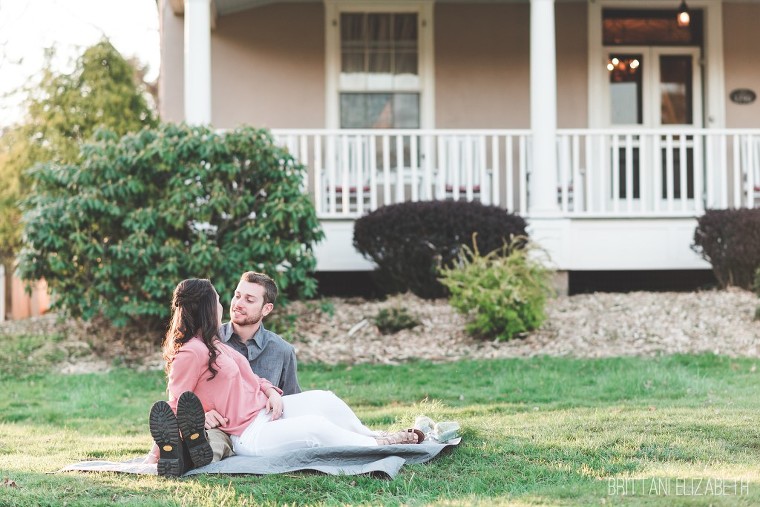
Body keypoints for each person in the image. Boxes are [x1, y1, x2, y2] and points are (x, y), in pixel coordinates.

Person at [147, 278, 423, 477]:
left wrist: (269, 392)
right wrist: (157, 452)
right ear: (208, 307)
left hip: (263, 409)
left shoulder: (213, 342)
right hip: (248, 432)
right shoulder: (191, 352)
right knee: (315, 427)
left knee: (324, 400)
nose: (225, 304)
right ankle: (375, 447)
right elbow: (175, 403)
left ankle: (372, 435)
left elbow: (250, 377)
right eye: (220, 299)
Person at [206, 271, 301, 462]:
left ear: (266, 309)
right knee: (209, 445)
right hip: (219, 427)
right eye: (237, 295)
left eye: (249, 300)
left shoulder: (282, 351)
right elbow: (188, 390)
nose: (238, 303)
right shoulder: (209, 340)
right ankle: (177, 455)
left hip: (260, 430)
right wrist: (202, 413)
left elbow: (292, 400)